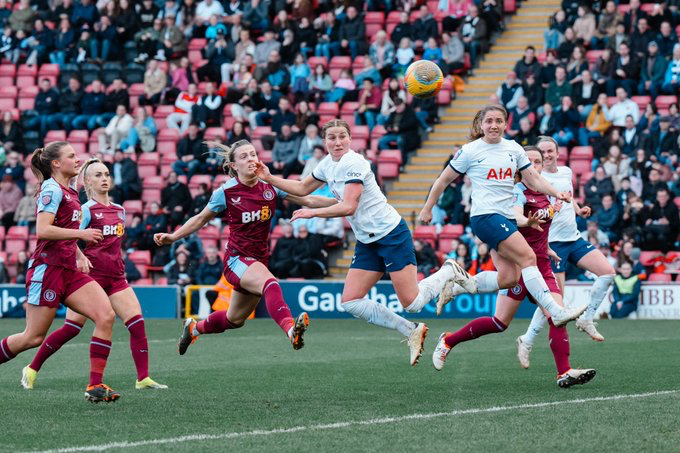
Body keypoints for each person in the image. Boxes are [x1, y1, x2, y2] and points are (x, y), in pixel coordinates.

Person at [256, 119, 476, 366]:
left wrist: (313, 212)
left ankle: (448, 270)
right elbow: (302, 187)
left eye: (342, 137)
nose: (337, 142)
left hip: (391, 234)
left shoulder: (354, 163)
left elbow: (349, 205)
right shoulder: (327, 164)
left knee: (412, 303)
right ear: (324, 141)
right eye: (332, 137)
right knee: (350, 301)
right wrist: (269, 177)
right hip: (367, 240)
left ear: (350, 139)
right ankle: (411, 330)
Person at [431, 146, 596, 388]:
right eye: (528, 161)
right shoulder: (514, 191)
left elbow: (542, 229)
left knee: (556, 316)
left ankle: (564, 372)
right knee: (499, 323)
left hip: (541, 264)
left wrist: (547, 247)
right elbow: (516, 217)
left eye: (537, 161)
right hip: (520, 265)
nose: (534, 165)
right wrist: (526, 221)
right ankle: (448, 341)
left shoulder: (547, 193)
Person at [154, 139, 336, 354]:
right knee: (271, 283)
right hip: (236, 260)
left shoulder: (270, 185)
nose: (251, 159)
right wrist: (173, 237)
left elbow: (310, 201)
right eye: (244, 156)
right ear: (234, 166)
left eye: (253, 154)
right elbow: (200, 218)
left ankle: (194, 328)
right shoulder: (226, 192)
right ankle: (290, 330)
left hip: (258, 260)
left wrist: (346, 202)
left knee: (235, 319)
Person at [419, 105, 585, 327]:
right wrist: (428, 207)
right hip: (486, 216)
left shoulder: (514, 149)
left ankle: (456, 283)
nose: (494, 125)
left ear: (505, 124)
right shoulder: (470, 150)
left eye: (498, 121)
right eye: (489, 121)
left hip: (505, 219)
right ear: (481, 124)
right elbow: (443, 180)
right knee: (529, 258)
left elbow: (534, 179)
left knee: (509, 278)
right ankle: (555, 311)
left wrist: (557, 193)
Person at [22, 159, 167, 391]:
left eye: (107, 174)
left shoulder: (120, 210)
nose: (104, 178)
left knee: (137, 323)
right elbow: (70, 237)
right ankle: (32, 368)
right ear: (87, 181)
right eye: (98, 175)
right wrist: (80, 256)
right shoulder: (85, 210)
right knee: (70, 329)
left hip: (116, 278)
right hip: (89, 280)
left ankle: (143, 378)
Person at [0, 142, 119, 403]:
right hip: (48, 269)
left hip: (68, 269)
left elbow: (63, 231)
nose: (77, 160)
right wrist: (81, 234)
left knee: (105, 315)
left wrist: (77, 253)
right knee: (32, 337)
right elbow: (43, 230)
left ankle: (94, 385)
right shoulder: (52, 189)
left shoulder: (71, 191)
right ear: (56, 163)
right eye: (71, 156)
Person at [516, 136, 617, 365]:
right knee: (554, 301)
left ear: (558, 152)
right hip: (552, 244)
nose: (548, 155)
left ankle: (587, 318)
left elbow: (568, 197)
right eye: (543, 152)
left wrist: (579, 209)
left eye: (551, 151)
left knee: (608, 272)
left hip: (574, 238)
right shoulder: (535, 179)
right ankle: (528, 339)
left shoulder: (566, 172)